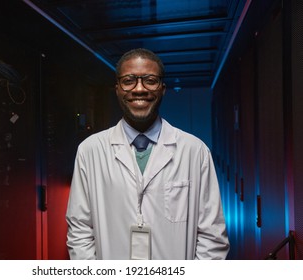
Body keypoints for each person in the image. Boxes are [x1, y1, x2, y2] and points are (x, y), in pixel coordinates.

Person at [66, 48, 229, 260]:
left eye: (150, 80)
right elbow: (80, 231)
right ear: (117, 88)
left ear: (163, 88)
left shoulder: (194, 151)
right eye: (128, 80)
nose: (139, 89)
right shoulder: (90, 150)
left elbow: (212, 236)